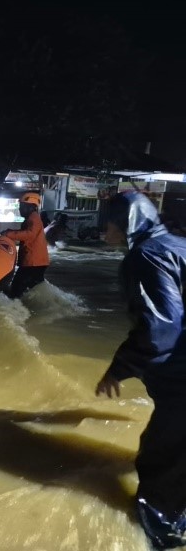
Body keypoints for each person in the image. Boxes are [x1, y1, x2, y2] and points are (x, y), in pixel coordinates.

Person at [95, 192, 186, 549]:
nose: (104, 234)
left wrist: (119, 369)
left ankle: (162, 533)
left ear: (127, 223)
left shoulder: (145, 256)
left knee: (159, 458)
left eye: (109, 225)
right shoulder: (178, 244)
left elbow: (160, 327)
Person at [2, 192, 50, 298]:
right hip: (37, 262)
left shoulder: (34, 218)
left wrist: (8, 234)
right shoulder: (33, 218)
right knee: (33, 289)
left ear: (30, 206)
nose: (20, 209)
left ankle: (16, 310)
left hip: (33, 262)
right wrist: (11, 232)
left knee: (15, 290)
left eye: (22, 206)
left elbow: (29, 234)